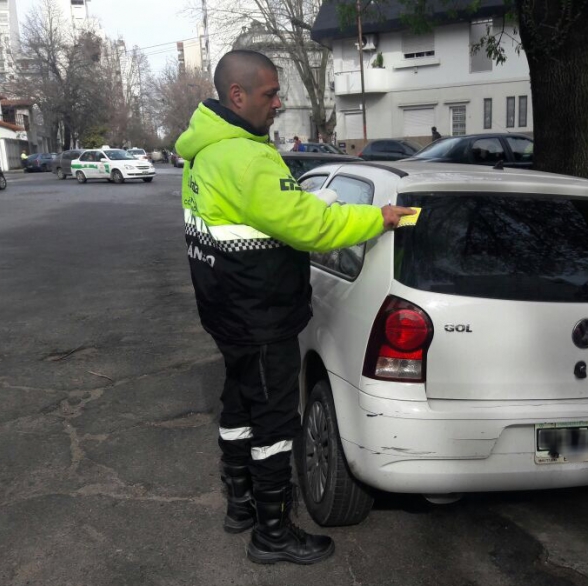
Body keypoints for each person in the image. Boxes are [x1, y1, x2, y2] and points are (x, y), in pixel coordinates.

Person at [174, 50, 414, 566]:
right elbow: (310, 227)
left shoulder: (202, 151)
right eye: (270, 93)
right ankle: (273, 533)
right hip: (259, 315)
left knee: (238, 406)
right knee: (275, 425)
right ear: (237, 95)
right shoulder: (245, 157)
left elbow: (259, 217)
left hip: (224, 310)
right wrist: (380, 219)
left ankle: (240, 506)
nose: (279, 103)